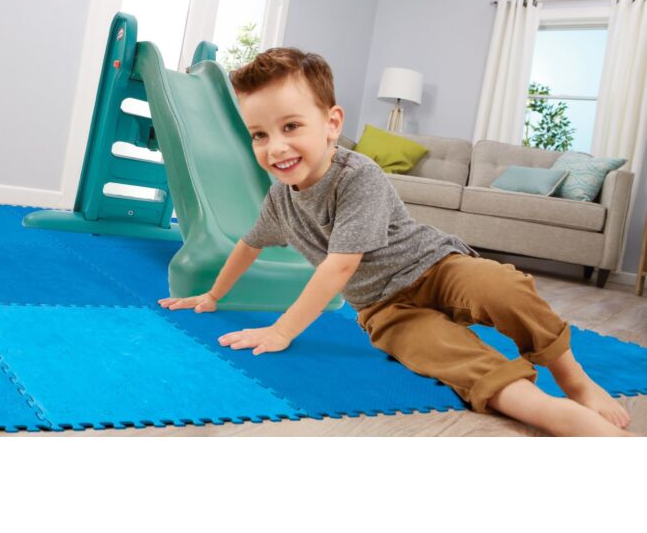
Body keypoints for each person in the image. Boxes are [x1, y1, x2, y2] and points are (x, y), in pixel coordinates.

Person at [159, 47, 634, 437]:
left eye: (291, 127)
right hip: (383, 309)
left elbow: (340, 266)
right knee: (444, 355)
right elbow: (249, 245)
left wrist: (282, 330)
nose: (276, 147)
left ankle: (574, 381)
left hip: (436, 267)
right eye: (259, 135)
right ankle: (548, 412)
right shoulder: (280, 201)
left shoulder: (357, 175)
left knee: (502, 287)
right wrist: (213, 294)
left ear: (332, 123)